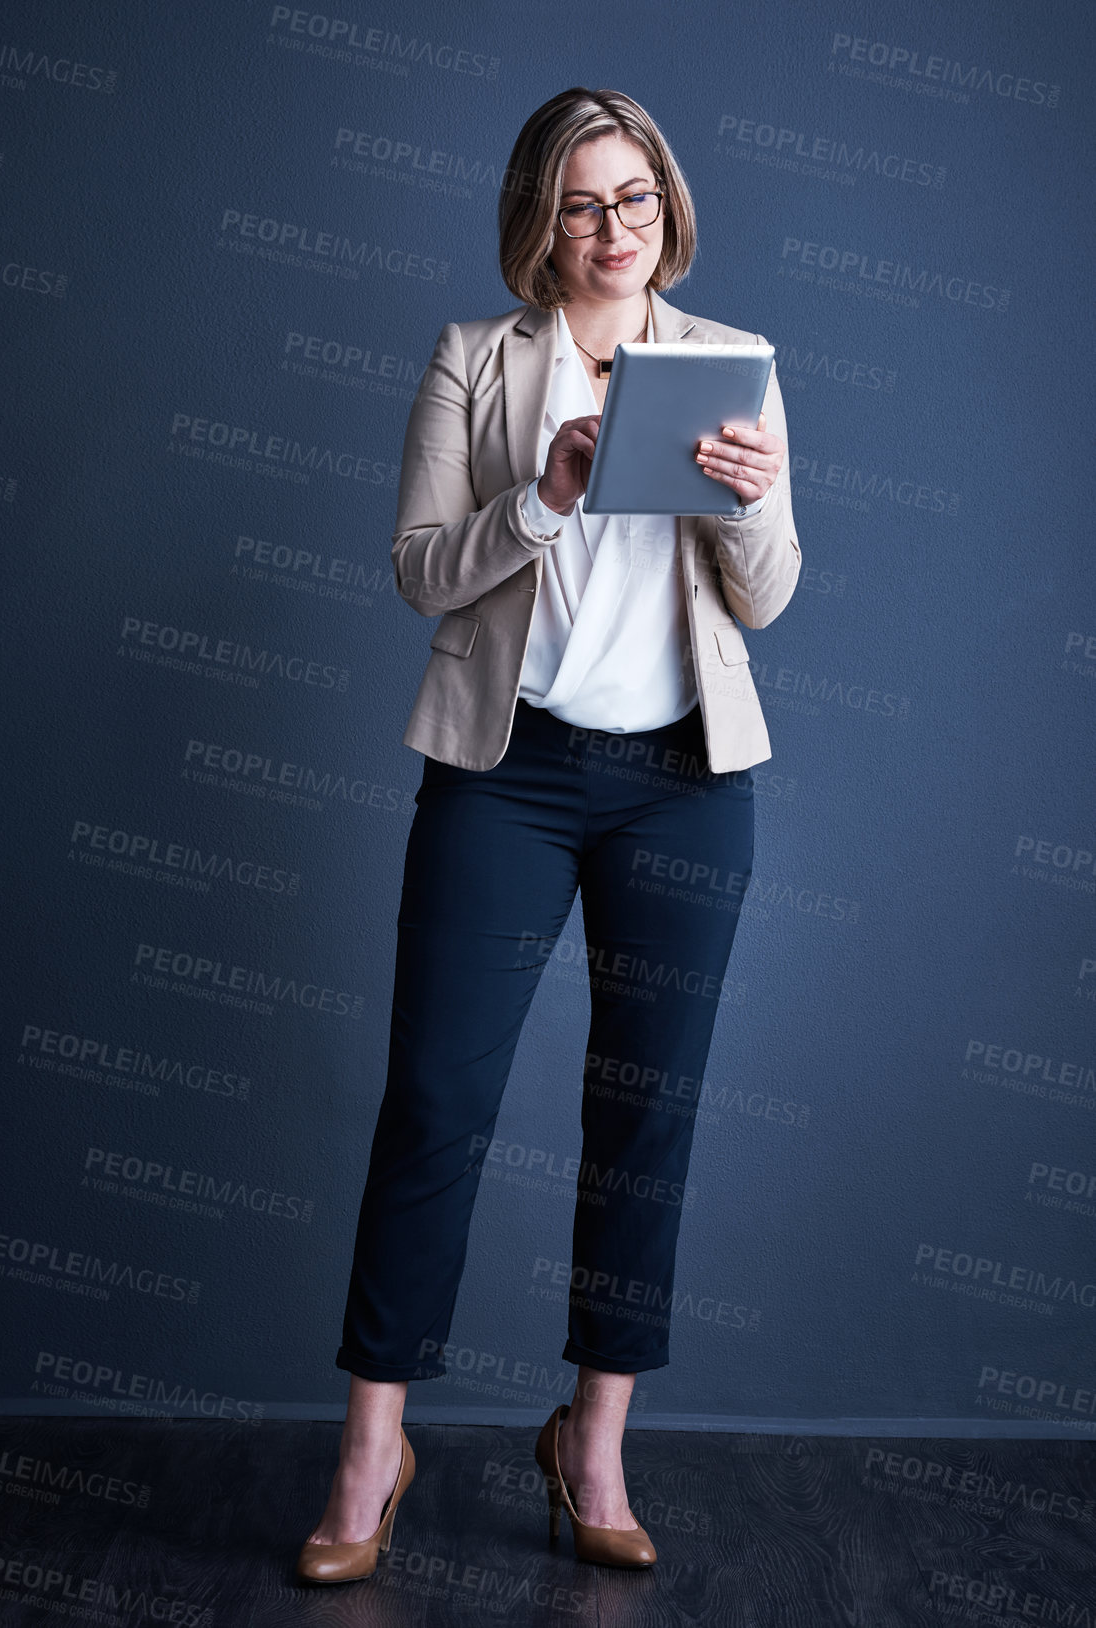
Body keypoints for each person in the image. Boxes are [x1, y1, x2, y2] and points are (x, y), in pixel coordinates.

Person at [297, 85, 800, 1584]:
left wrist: (748, 500)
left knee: (645, 1124)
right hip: (503, 776)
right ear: (539, 218)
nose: (612, 229)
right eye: (582, 203)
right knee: (435, 1106)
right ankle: (371, 1450)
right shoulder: (477, 360)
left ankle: (592, 1438)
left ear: (668, 207)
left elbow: (764, 601)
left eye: (635, 199)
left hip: (683, 787)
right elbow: (419, 571)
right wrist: (545, 494)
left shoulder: (731, 366)